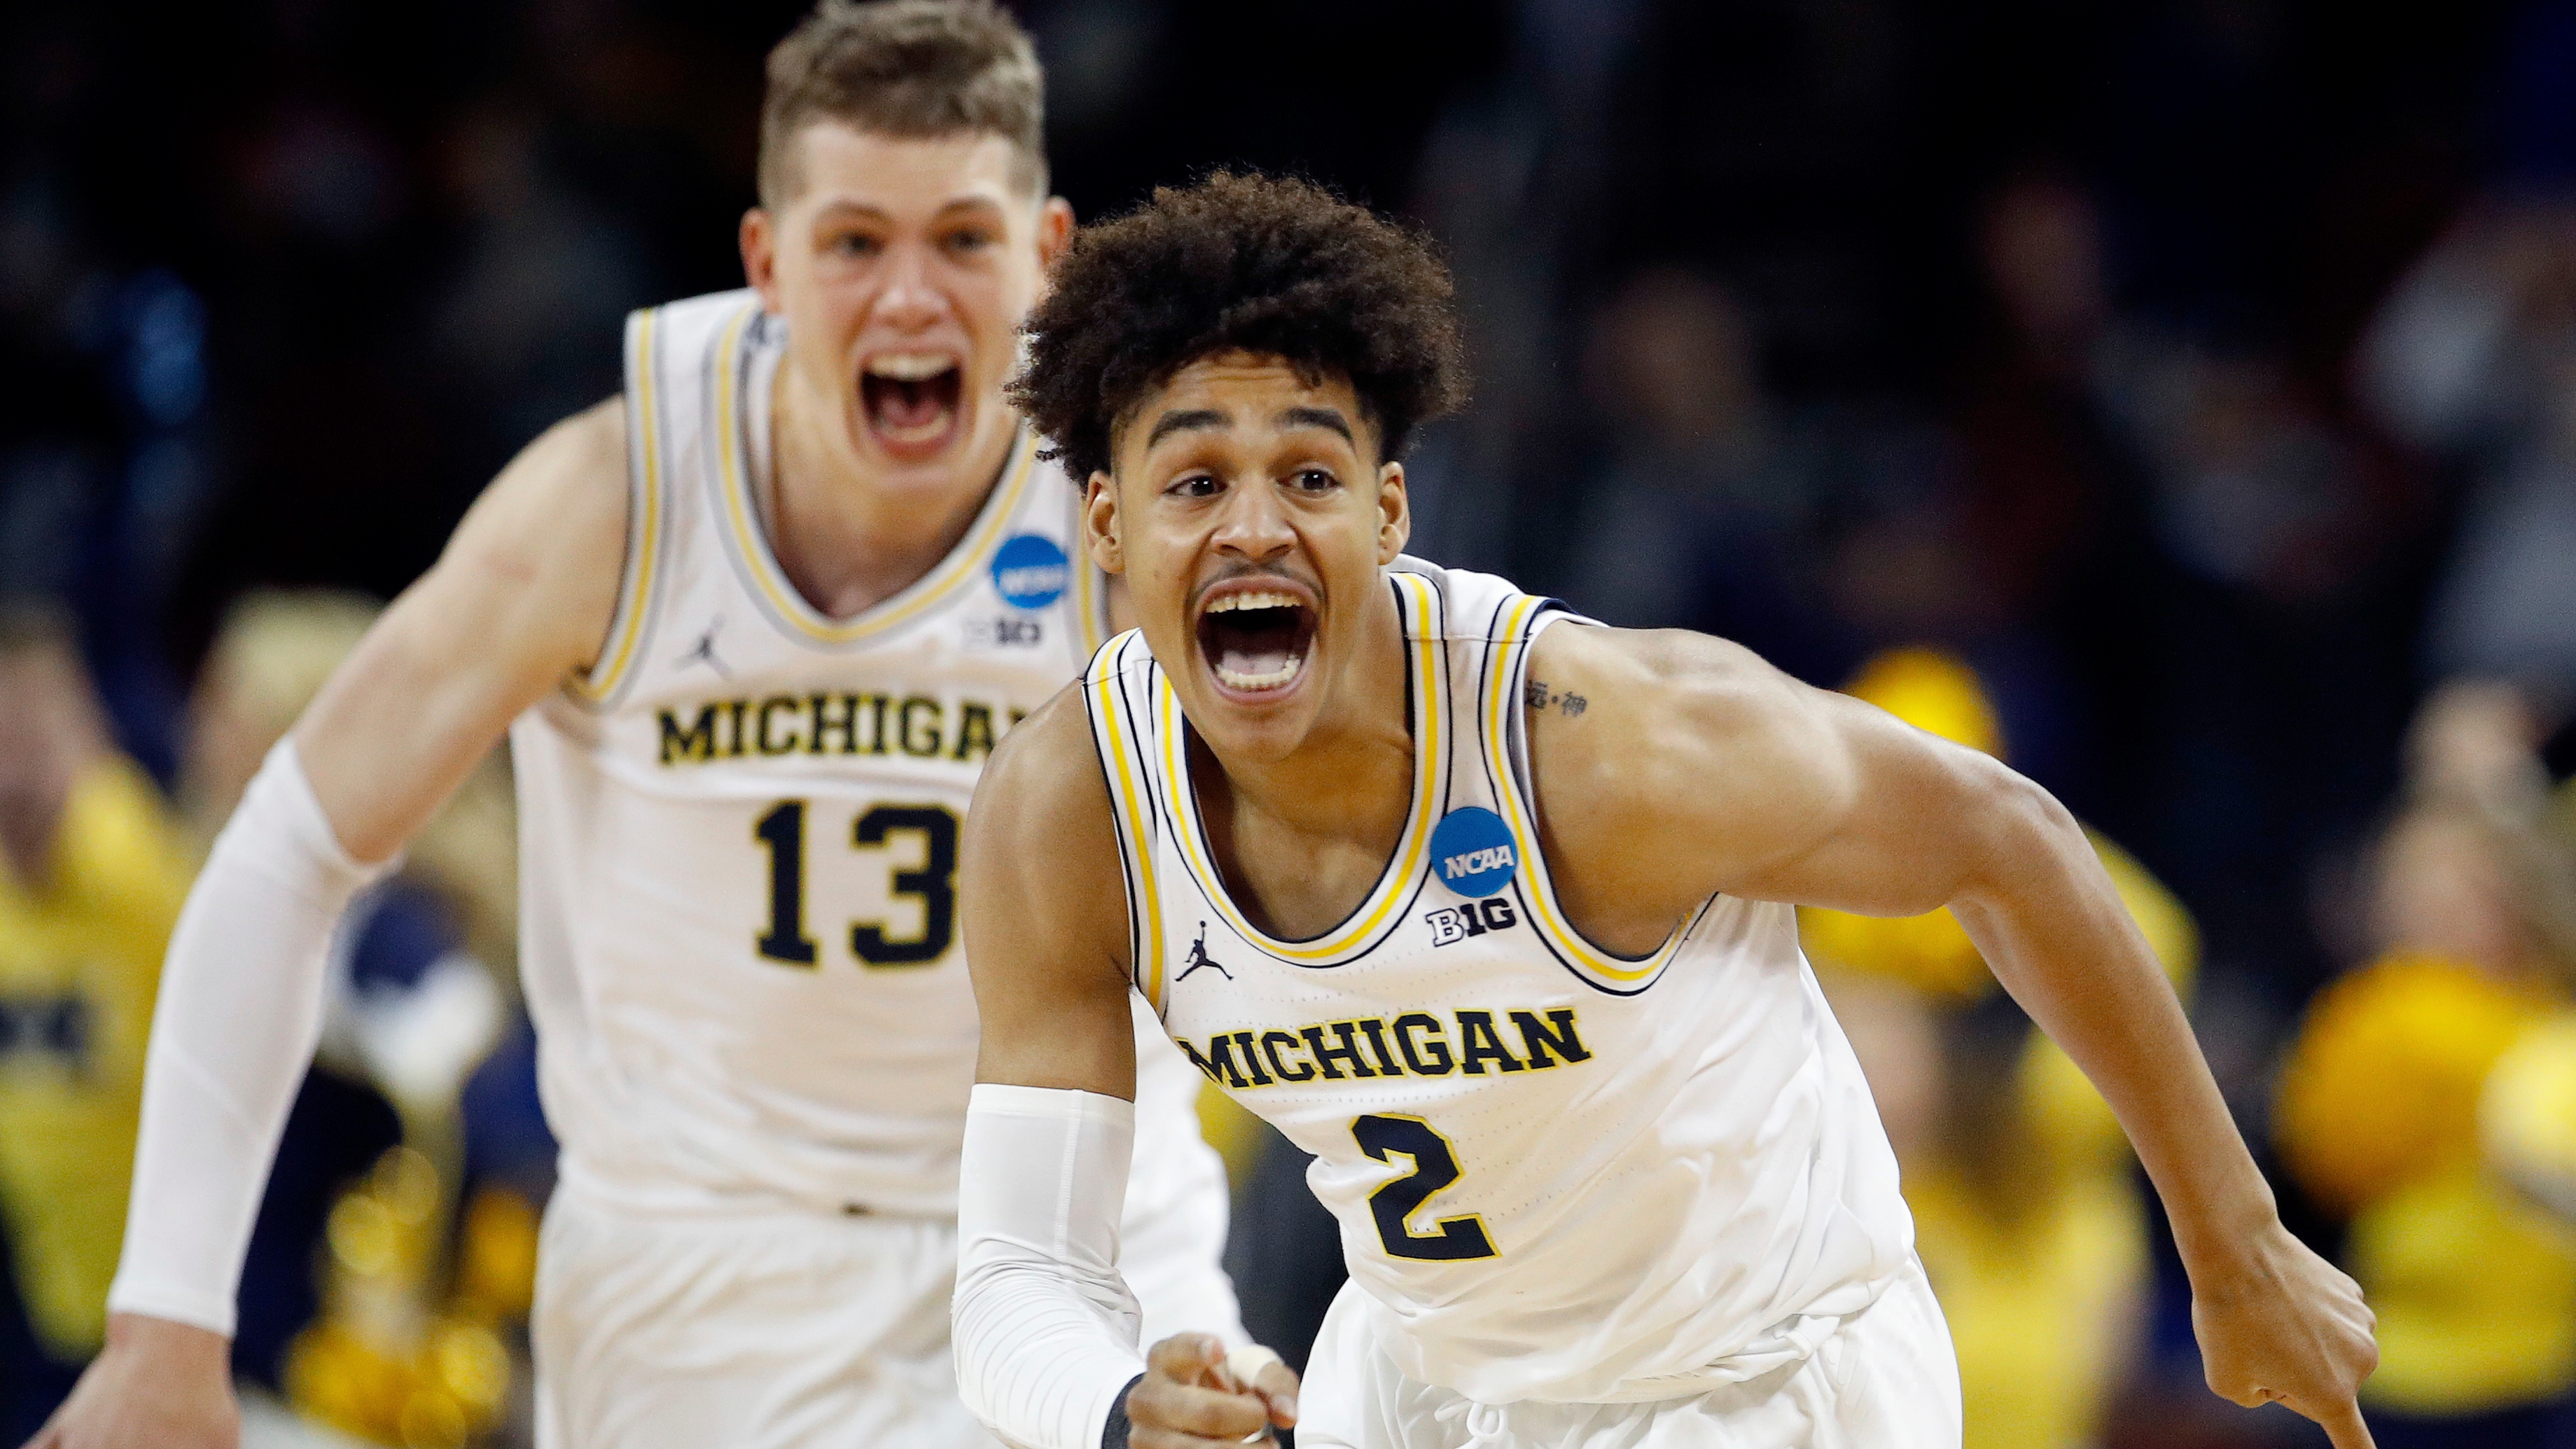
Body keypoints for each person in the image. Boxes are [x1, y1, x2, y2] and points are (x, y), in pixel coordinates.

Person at [946, 172, 2381, 1449]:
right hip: (1427, 1378)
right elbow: (1023, 1271)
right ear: (1110, 523)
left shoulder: (1606, 742)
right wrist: (1118, 1406)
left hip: (1760, 1381)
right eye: (1196, 478)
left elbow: (2009, 838)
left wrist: (2234, 1238)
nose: (1255, 524)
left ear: (1388, 514)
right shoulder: (1068, 809)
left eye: (1307, 475)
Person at [32, 5, 1239, 1448]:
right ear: (767, 265)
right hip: (697, 1297)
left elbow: (1412, 825)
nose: (910, 296)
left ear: (1048, 258)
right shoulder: (614, 497)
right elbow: (289, 848)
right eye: (855, 241)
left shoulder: (1161, 512)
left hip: (1076, 1268)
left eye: (962, 242)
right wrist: (168, 1324)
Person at [0, 606, 197, 1443]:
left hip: (159, 1297)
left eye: (38, 735)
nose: (18, 769)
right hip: (33, 1284)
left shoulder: (137, 863)